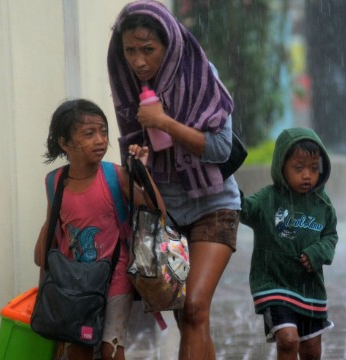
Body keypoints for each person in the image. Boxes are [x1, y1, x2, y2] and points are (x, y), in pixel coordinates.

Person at [106, 1, 241, 359]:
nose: (138, 61)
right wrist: (139, 168)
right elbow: (136, 188)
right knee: (189, 318)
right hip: (166, 215)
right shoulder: (127, 88)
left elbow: (221, 149)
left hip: (214, 204)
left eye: (148, 49)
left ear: (170, 45)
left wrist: (165, 123)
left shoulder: (200, 75)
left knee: (195, 305)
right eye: (130, 50)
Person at [33, 99, 154, 360]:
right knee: (79, 348)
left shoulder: (117, 176)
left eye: (103, 131)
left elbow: (158, 214)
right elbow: (44, 250)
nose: (100, 140)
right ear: (64, 143)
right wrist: (45, 290)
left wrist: (142, 172)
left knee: (112, 350)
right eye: (89, 134)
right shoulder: (55, 182)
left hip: (115, 277)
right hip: (75, 284)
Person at [239, 128, 338, 360]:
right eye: (299, 168)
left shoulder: (323, 205)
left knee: (312, 350)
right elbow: (245, 210)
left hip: (310, 288)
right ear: (281, 167)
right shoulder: (267, 199)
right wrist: (227, 188)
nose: (307, 175)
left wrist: (317, 252)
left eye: (313, 169)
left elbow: (330, 237)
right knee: (287, 340)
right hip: (274, 283)